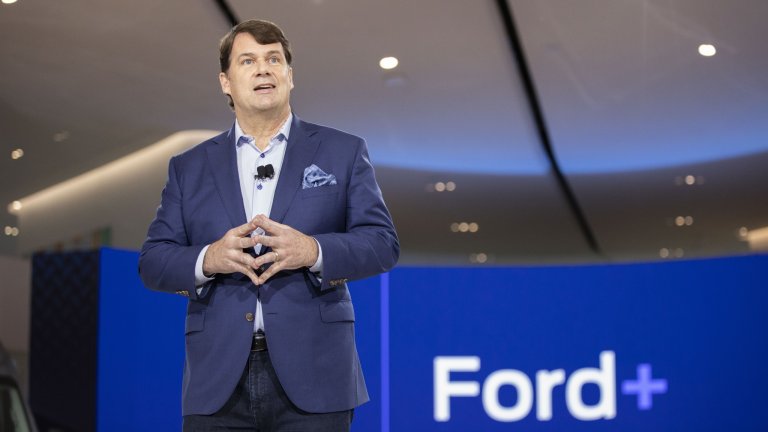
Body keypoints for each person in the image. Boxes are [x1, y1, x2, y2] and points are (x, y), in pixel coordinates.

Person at [139, 19, 399, 431]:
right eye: (248, 61)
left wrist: (313, 251)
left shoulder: (343, 151)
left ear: (289, 76)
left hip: (316, 375)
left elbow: (382, 243)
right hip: (217, 381)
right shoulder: (189, 167)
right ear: (226, 82)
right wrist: (209, 258)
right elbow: (153, 261)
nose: (263, 69)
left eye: (273, 59)